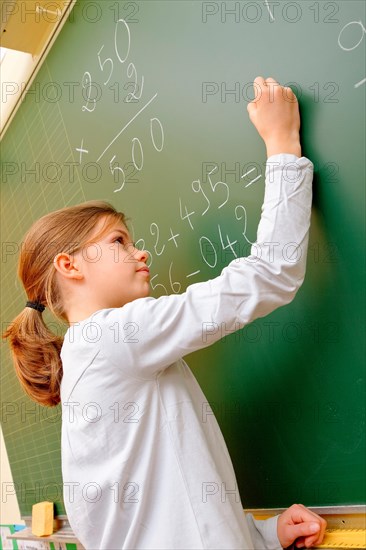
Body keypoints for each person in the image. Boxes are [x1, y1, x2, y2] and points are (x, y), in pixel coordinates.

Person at [3, 77, 327, 549]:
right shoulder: (110, 338)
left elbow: (168, 517)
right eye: (118, 241)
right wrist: (282, 146)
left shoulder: (89, 357)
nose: (141, 252)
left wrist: (261, 534)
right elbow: (271, 274)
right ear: (69, 266)